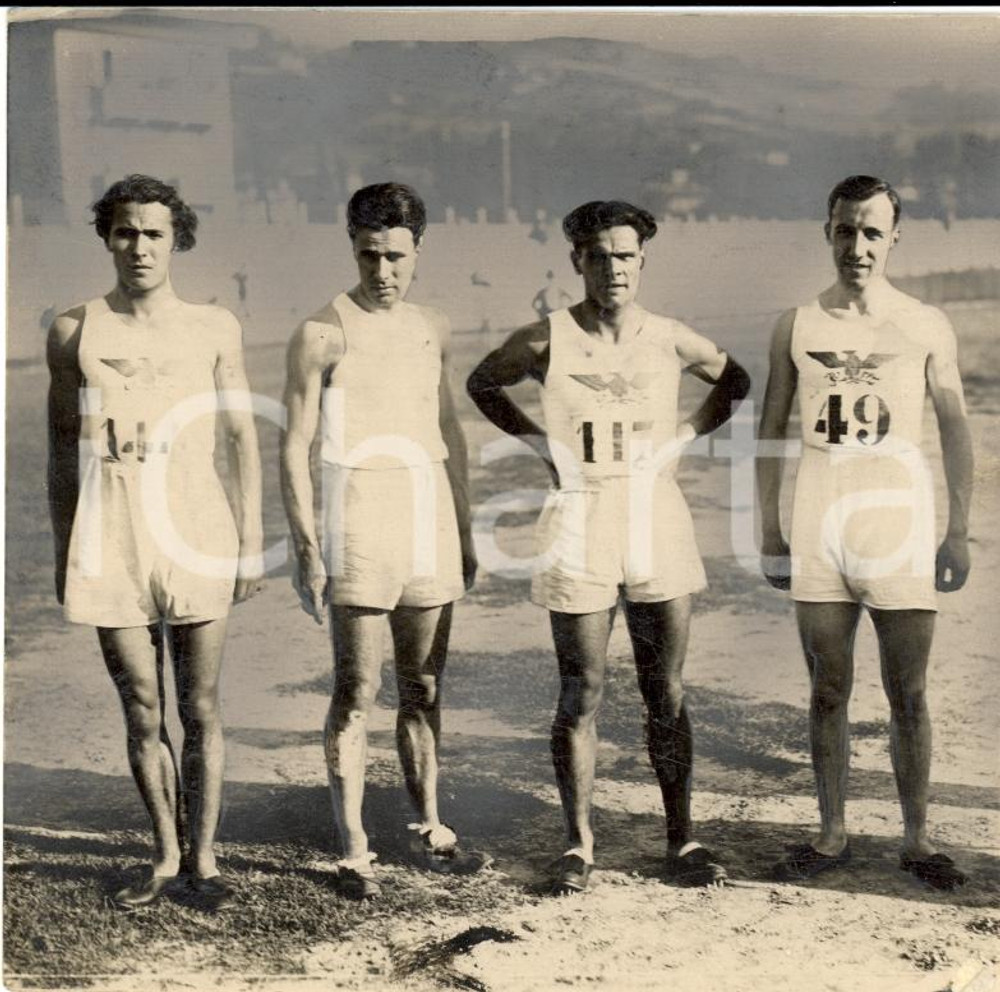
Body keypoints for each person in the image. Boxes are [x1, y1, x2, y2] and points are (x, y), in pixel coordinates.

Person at [467, 200, 751, 895]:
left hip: (653, 513)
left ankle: (682, 838)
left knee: (666, 689)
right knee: (581, 690)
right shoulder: (546, 339)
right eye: (598, 255)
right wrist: (539, 444)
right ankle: (578, 845)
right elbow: (481, 381)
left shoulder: (670, 337)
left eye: (625, 255)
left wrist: (683, 437)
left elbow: (735, 381)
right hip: (580, 514)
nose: (613, 267)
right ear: (577, 262)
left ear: (642, 260)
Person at [46, 174, 265, 912]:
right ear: (106, 236)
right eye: (125, 232)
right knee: (142, 707)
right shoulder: (74, 329)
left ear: (179, 240)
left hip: (196, 522)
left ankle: (206, 859)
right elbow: (58, 448)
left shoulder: (213, 325)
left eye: (154, 234)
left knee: (199, 707)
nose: (139, 247)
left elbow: (239, 433)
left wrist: (252, 536)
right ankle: (165, 856)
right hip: (113, 529)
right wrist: (62, 547)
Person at [756, 175, 974, 890]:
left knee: (907, 691)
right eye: (846, 230)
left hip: (899, 523)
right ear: (827, 230)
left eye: (873, 232)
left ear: (894, 238)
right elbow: (771, 431)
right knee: (828, 688)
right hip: (821, 521)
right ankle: (831, 832)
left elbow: (956, 430)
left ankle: (916, 837)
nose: (858, 246)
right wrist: (769, 530)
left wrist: (958, 530)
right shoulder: (797, 323)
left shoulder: (923, 323)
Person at [280, 182, 488, 900]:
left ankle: (427, 823)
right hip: (358, 509)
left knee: (424, 683)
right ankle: (354, 847)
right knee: (356, 687)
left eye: (397, 256)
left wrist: (463, 522)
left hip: (425, 506)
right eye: (370, 255)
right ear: (353, 247)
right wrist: (307, 545)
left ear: (418, 251)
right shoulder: (321, 332)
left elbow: (450, 429)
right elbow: (296, 443)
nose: (383, 271)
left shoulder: (434, 325)